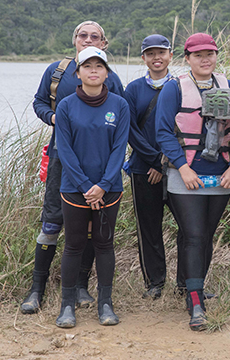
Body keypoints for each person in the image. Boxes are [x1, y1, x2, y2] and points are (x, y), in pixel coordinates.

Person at [23, 21, 124, 314]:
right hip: (61, 160)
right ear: (75, 41)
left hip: (102, 168)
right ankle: (36, 290)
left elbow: (119, 118)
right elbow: (40, 102)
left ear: (104, 44)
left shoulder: (111, 78)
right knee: (52, 223)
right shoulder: (57, 71)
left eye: (95, 36)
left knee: (94, 230)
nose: (88, 39)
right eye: (83, 35)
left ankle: (81, 286)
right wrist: (53, 118)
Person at [155, 32, 230, 331]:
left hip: (221, 175)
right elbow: (163, 132)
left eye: (209, 53)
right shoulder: (174, 89)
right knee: (194, 234)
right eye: (198, 55)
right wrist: (183, 167)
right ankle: (196, 303)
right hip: (187, 176)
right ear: (188, 58)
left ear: (216, 55)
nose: (205, 59)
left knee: (205, 235)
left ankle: (190, 286)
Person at [54, 47, 130, 327]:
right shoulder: (66, 106)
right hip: (74, 189)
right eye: (88, 66)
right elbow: (65, 151)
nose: (94, 70)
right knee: (73, 245)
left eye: (99, 66)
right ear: (78, 73)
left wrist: (103, 185)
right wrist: (87, 186)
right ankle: (66, 306)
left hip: (109, 189)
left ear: (107, 73)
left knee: (104, 244)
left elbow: (119, 149)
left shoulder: (119, 106)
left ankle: (105, 305)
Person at [123, 34, 179, 300]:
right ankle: (154, 282)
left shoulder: (182, 86)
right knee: (149, 228)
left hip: (179, 168)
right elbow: (129, 130)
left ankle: (187, 282)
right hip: (143, 169)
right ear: (143, 58)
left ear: (171, 55)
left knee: (189, 226)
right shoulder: (133, 90)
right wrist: (155, 161)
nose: (157, 58)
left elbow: (185, 128)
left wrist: (166, 162)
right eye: (151, 53)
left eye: (162, 52)